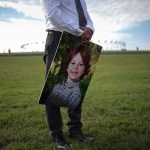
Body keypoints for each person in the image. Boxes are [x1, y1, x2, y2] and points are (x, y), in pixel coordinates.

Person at [41, 0, 95, 149]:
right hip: (59, 35)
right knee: (53, 87)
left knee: (77, 84)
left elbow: (85, 15)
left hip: (79, 37)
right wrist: (79, 30)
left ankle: (75, 130)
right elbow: (52, 12)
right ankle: (57, 134)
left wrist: (90, 29)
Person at [46, 45, 90, 110]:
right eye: (73, 63)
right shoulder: (57, 86)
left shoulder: (75, 94)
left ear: (84, 70)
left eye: (80, 64)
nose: (76, 67)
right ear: (67, 67)